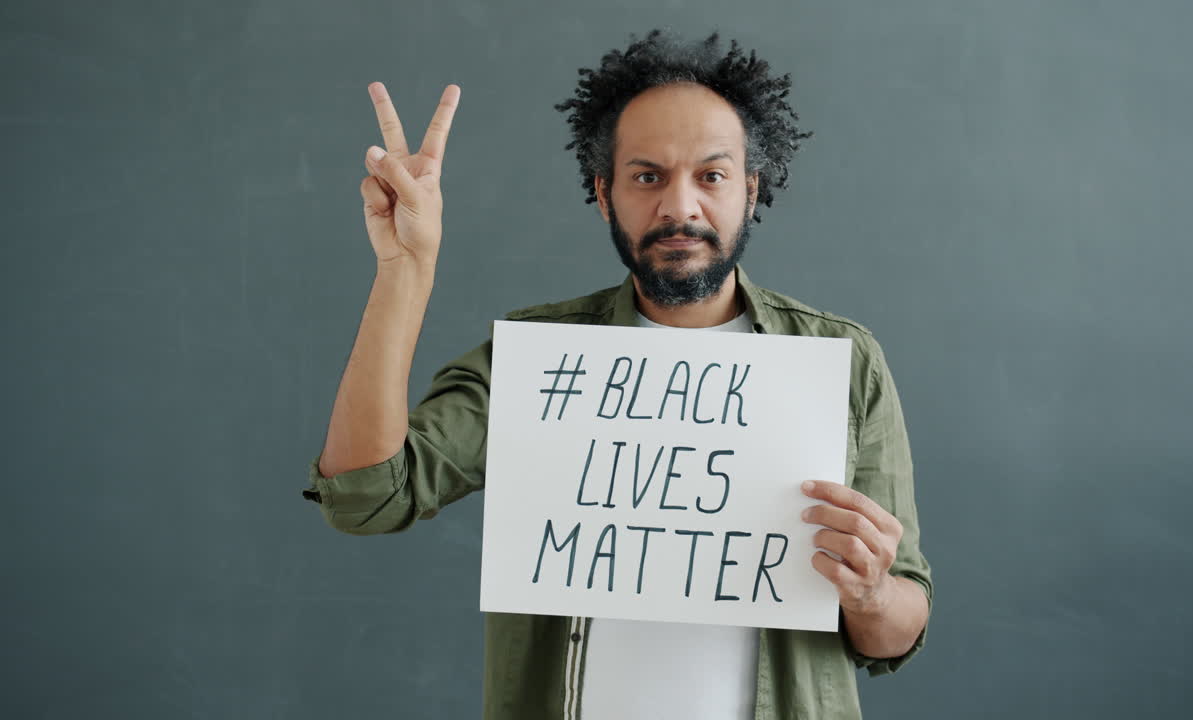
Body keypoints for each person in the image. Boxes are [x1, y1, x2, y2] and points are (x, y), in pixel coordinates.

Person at [303, 28, 932, 720]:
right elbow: (366, 497)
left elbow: (897, 632)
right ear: (604, 193)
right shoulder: (537, 362)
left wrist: (872, 593)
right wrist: (405, 268)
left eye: (712, 176)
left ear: (751, 190)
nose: (680, 208)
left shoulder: (843, 361)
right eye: (647, 176)